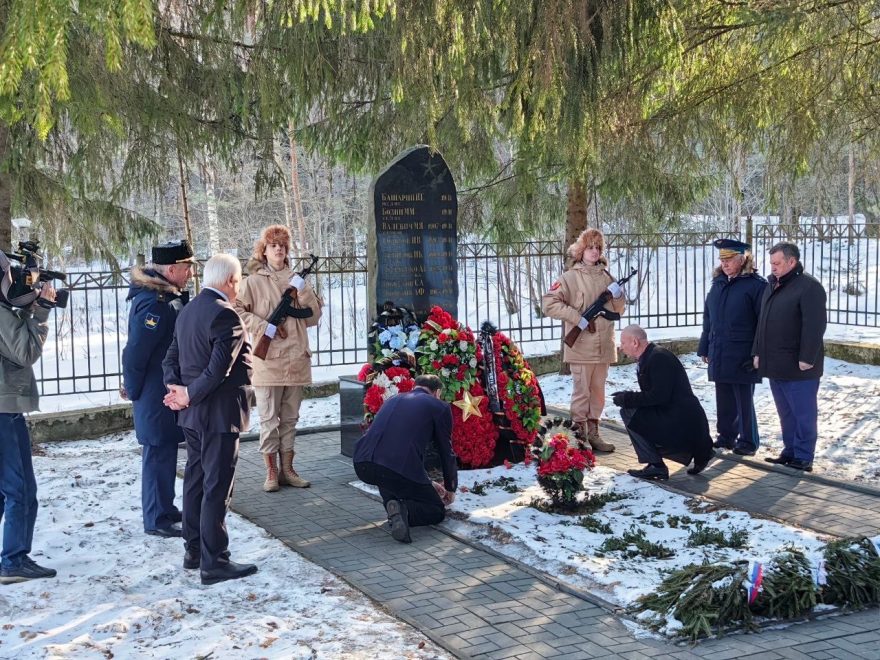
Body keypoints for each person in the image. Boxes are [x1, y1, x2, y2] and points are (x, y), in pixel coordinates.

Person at [162, 253, 257, 585]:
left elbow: (171, 356)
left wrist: (176, 388)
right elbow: (220, 368)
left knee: (196, 481)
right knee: (217, 486)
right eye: (239, 281)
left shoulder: (188, 310)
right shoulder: (226, 315)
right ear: (231, 281)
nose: (238, 287)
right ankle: (214, 560)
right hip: (218, 414)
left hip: (192, 415)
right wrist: (185, 394)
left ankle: (194, 551)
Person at [234, 225, 322, 492]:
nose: (279, 249)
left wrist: (304, 289)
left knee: (290, 419)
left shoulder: (298, 280)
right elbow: (237, 311)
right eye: (273, 245)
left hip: (295, 359)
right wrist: (264, 326)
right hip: (268, 360)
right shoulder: (252, 281)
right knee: (269, 419)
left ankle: (289, 470)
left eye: (283, 245)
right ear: (264, 249)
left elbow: (313, 317)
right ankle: (271, 472)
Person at [122, 240, 196, 538]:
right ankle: (156, 517)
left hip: (162, 388)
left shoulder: (165, 297)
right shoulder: (154, 303)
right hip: (154, 391)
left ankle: (165, 507)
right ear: (170, 269)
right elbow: (136, 351)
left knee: (165, 450)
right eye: (186, 266)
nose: (190, 272)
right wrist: (133, 388)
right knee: (157, 451)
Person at [0, 251, 57, 583]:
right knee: (20, 489)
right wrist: (40, 312)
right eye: (11, 275)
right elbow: (25, 352)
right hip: (4, 410)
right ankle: (14, 559)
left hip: (6, 406)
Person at [542, 228, 625, 453]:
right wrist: (577, 318)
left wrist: (618, 296)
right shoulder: (570, 277)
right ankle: (578, 436)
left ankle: (594, 434)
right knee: (582, 392)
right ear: (581, 250)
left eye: (598, 247)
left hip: (604, 345)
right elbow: (548, 304)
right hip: (581, 346)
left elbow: (619, 310)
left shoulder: (608, 277)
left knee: (598, 392)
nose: (595, 252)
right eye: (590, 247)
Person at [353, 374, 457, 544]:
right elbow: (446, 451)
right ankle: (403, 511)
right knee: (435, 510)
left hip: (363, 463)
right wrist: (451, 487)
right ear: (437, 392)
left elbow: (397, 442)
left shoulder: (393, 399)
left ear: (415, 386)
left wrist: (428, 482)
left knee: (389, 480)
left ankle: (394, 509)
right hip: (395, 468)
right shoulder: (438, 406)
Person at [752, 242, 827, 472]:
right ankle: (790, 450)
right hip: (775, 363)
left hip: (799, 367)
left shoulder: (809, 287)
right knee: (786, 412)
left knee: (803, 413)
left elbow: (814, 326)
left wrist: (807, 357)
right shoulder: (772, 285)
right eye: (771, 263)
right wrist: (757, 351)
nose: (772, 267)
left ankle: (804, 456)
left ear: (792, 261)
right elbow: (762, 322)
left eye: (777, 263)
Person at [611, 325, 715, 480]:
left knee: (629, 412)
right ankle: (699, 453)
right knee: (631, 410)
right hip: (674, 412)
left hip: (681, 418)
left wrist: (627, 399)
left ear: (635, 342)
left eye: (623, 342)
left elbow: (658, 396)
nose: (621, 347)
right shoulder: (650, 355)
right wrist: (627, 397)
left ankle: (656, 465)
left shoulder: (658, 358)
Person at [697, 239, 769, 456]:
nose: (725, 263)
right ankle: (726, 436)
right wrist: (704, 347)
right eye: (722, 259)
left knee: (743, 398)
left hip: (743, 351)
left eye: (729, 259)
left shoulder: (756, 285)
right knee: (724, 395)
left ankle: (748, 440)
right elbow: (709, 317)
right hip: (719, 348)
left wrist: (758, 352)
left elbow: (762, 323)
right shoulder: (718, 283)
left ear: (742, 258)